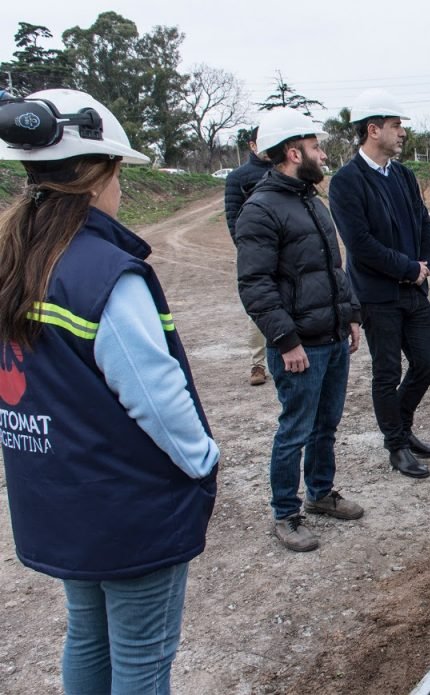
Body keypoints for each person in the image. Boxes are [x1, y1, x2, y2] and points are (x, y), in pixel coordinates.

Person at [0, 89, 218, 693]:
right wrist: (202, 461)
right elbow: (154, 394)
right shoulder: (103, 271)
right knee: (143, 659)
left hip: (56, 494)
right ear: (102, 175)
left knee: (87, 635)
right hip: (127, 505)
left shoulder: (16, 259)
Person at [235, 108, 364, 552]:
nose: (322, 154)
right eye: (315, 147)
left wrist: (349, 314)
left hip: (331, 337)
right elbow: (255, 285)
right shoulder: (260, 209)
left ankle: (321, 494)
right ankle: (285, 513)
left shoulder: (312, 200)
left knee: (325, 424)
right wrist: (284, 339)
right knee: (295, 429)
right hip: (300, 347)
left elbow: (333, 267)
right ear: (293, 152)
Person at [329, 88, 430, 479]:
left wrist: (427, 262)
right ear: (372, 130)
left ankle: (402, 426)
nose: (402, 133)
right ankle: (396, 445)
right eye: (396, 126)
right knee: (387, 372)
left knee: (427, 364)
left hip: (414, 291)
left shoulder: (404, 175)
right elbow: (360, 245)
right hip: (378, 297)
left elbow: (423, 221)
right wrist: (408, 267)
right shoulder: (346, 182)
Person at [224, 126, 273, 386]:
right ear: (252, 146)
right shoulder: (238, 178)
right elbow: (233, 219)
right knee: (258, 310)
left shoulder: (282, 170)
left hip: (287, 255)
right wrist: (248, 252)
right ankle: (258, 364)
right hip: (256, 256)